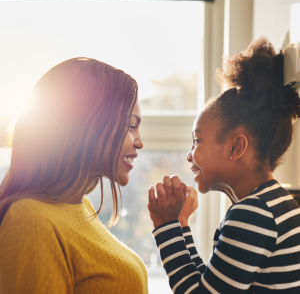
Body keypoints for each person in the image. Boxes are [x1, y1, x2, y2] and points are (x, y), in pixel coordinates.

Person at [148, 37, 300, 293]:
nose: (189, 155)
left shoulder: (252, 214)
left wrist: (165, 227)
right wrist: (181, 224)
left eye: (197, 141)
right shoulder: (273, 204)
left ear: (235, 148)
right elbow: (206, 284)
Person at [0, 58, 148, 294]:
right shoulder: (31, 221)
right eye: (131, 126)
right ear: (88, 125)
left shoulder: (81, 206)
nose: (139, 142)